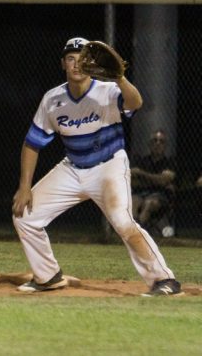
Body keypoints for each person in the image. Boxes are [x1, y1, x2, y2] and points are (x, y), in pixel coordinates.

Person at [11, 37, 182, 297]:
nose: (76, 64)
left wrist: (120, 78)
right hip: (72, 168)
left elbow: (136, 103)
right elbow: (32, 144)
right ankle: (48, 276)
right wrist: (24, 187)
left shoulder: (107, 90)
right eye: (71, 59)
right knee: (24, 215)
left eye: (82, 59)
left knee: (123, 222)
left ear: (92, 64)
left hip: (108, 166)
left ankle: (164, 280)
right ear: (63, 64)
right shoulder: (53, 99)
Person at [131, 130, 177, 237]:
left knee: (149, 203)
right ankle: (132, 231)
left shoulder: (170, 162)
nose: (158, 144)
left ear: (165, 146)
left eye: (161, 141)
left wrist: (142, 174)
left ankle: (136, 234)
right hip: (140, 193)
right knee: (132, 202)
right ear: (150, 144)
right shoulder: (141, 160)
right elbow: (133, 182)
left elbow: (164, 180)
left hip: (160, 195)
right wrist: (156, 179)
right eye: (155, 141)